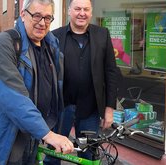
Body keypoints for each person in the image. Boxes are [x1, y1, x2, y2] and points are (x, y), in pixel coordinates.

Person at [0, 0, 74, 164]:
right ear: (23, 14)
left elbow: (56, 85)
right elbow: (12, 96)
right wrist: (47, 134)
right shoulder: (5, 44)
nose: (42, 23)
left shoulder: (51, 45)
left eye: (47, 17)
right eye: (37, 16)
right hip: (5, 138)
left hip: (32, 134)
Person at [44, 0, 120, 164]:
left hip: (90, 108)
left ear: (91, 12)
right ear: (69, 11)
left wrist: (109, 108)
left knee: (88, 155)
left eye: (86, 9)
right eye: (77, 9)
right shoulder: (54, 36)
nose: (82, 13)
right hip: (61, 107)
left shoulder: (102, 34)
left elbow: (111, 72)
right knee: (53, 154)